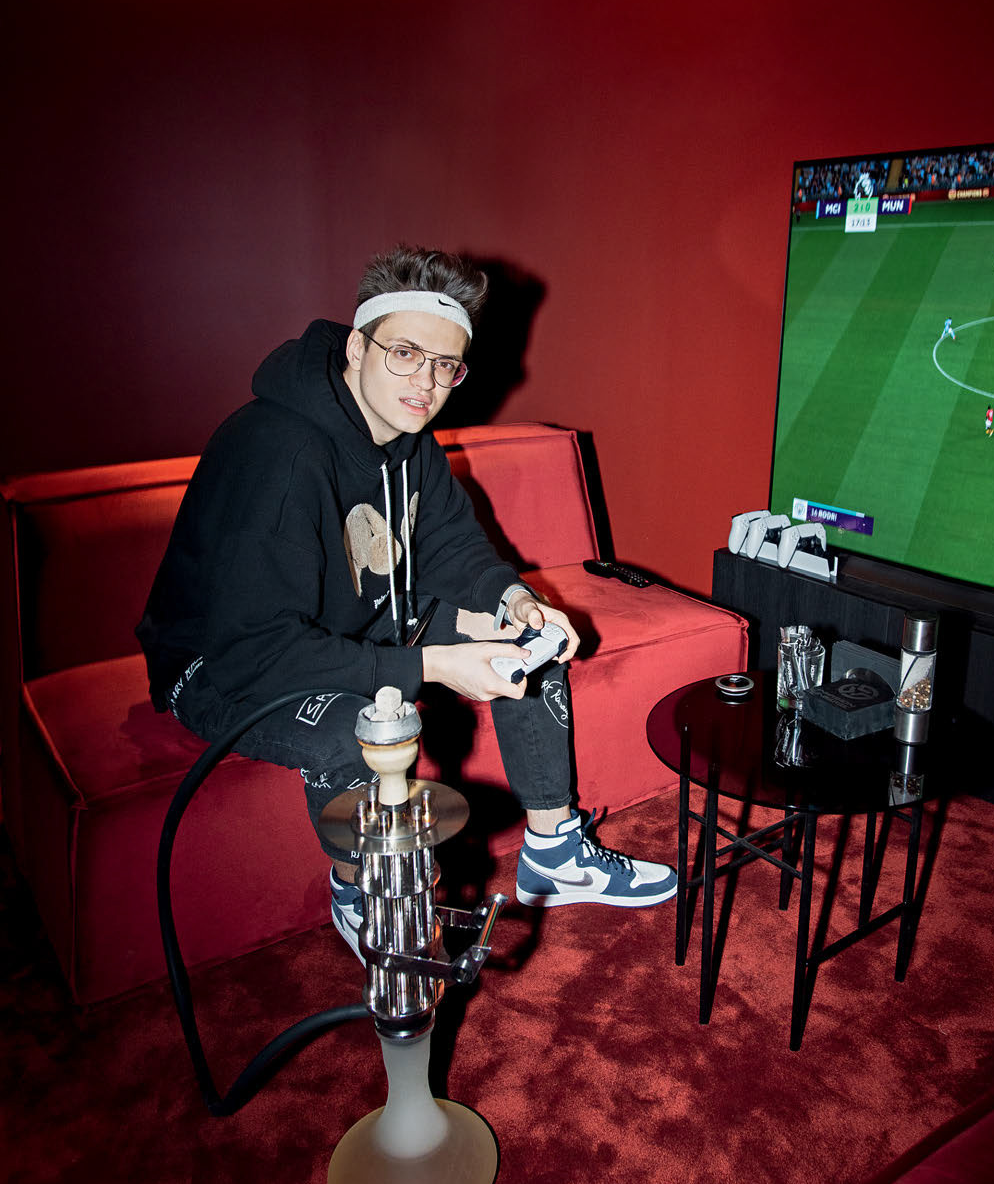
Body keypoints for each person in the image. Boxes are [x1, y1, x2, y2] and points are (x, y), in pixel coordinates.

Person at [137, 244, 677, 957]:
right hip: (221, 667)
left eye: (445, 365)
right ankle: (360, 892)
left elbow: (451, 542)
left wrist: (515, 600)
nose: (425, 381)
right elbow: (257, 649)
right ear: (357, 348)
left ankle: (554, 850)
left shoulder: (408, 435)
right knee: (363, 726)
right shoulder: (279, 452)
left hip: (356, 619)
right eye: (404, 353)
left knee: (528, 645)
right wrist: (434, 665)